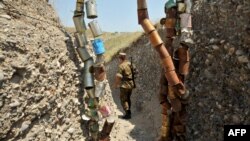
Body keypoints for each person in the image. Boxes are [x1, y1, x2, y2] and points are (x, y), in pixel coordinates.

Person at [113, 52, 136, 119]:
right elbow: (135, 71)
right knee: (128, 98)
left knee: (123, 99)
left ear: (120, 58)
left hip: (124, 85)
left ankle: (128, 114)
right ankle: (129, 111)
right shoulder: (129, 63)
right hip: (131, 84)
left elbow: (118, 76)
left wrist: (116, 84)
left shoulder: (121, 66)